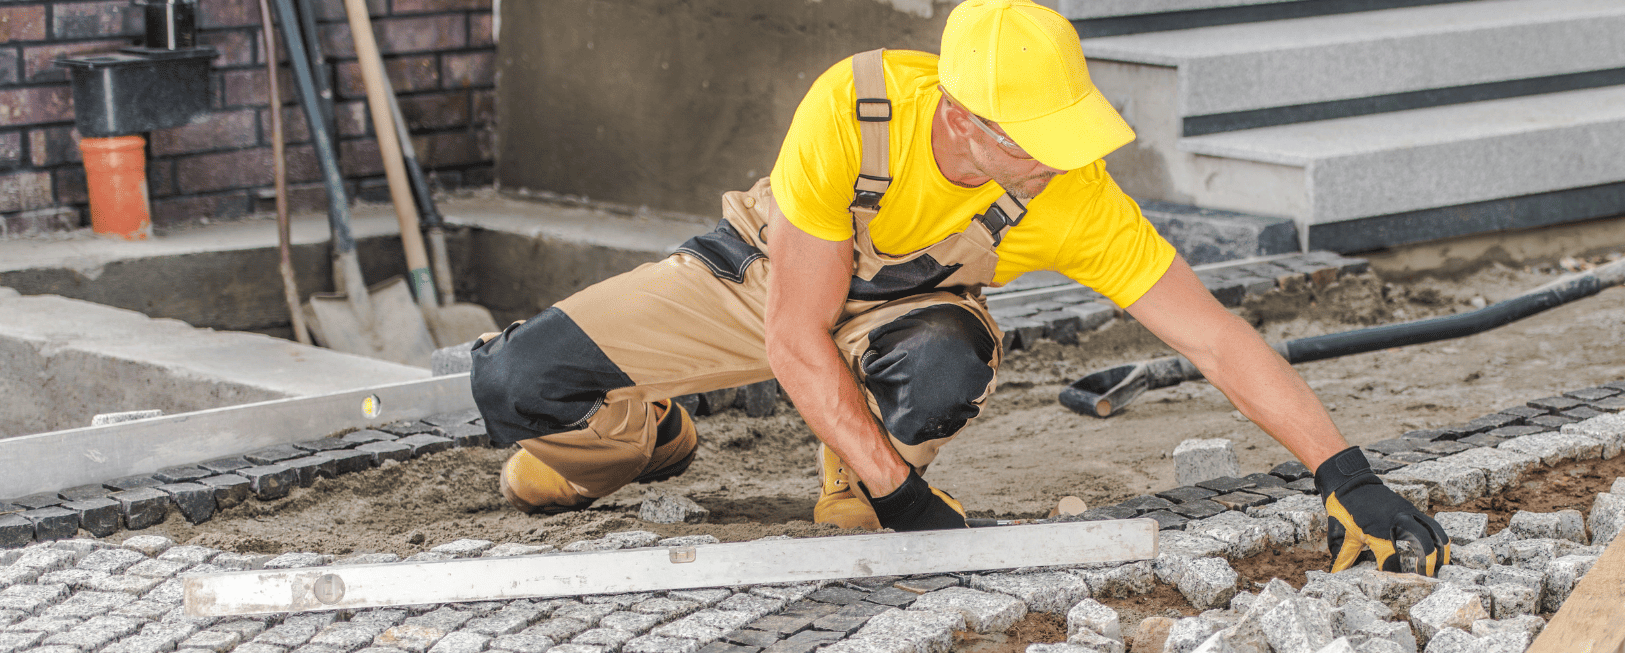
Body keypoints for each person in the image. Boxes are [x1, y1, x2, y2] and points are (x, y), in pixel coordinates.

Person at [468, 0, 1447, 575]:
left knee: (942, 371)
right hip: (764, 279)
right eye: (1039, 141)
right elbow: (793, 335)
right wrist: (914, 504)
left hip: (901, 315)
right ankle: (654, 435)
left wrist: (1343, 474)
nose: (1061, 163)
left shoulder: (1075, 199)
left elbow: (1214, 339)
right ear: (966, 121)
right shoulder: (854, 110)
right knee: (514, 386)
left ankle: (852, 476)